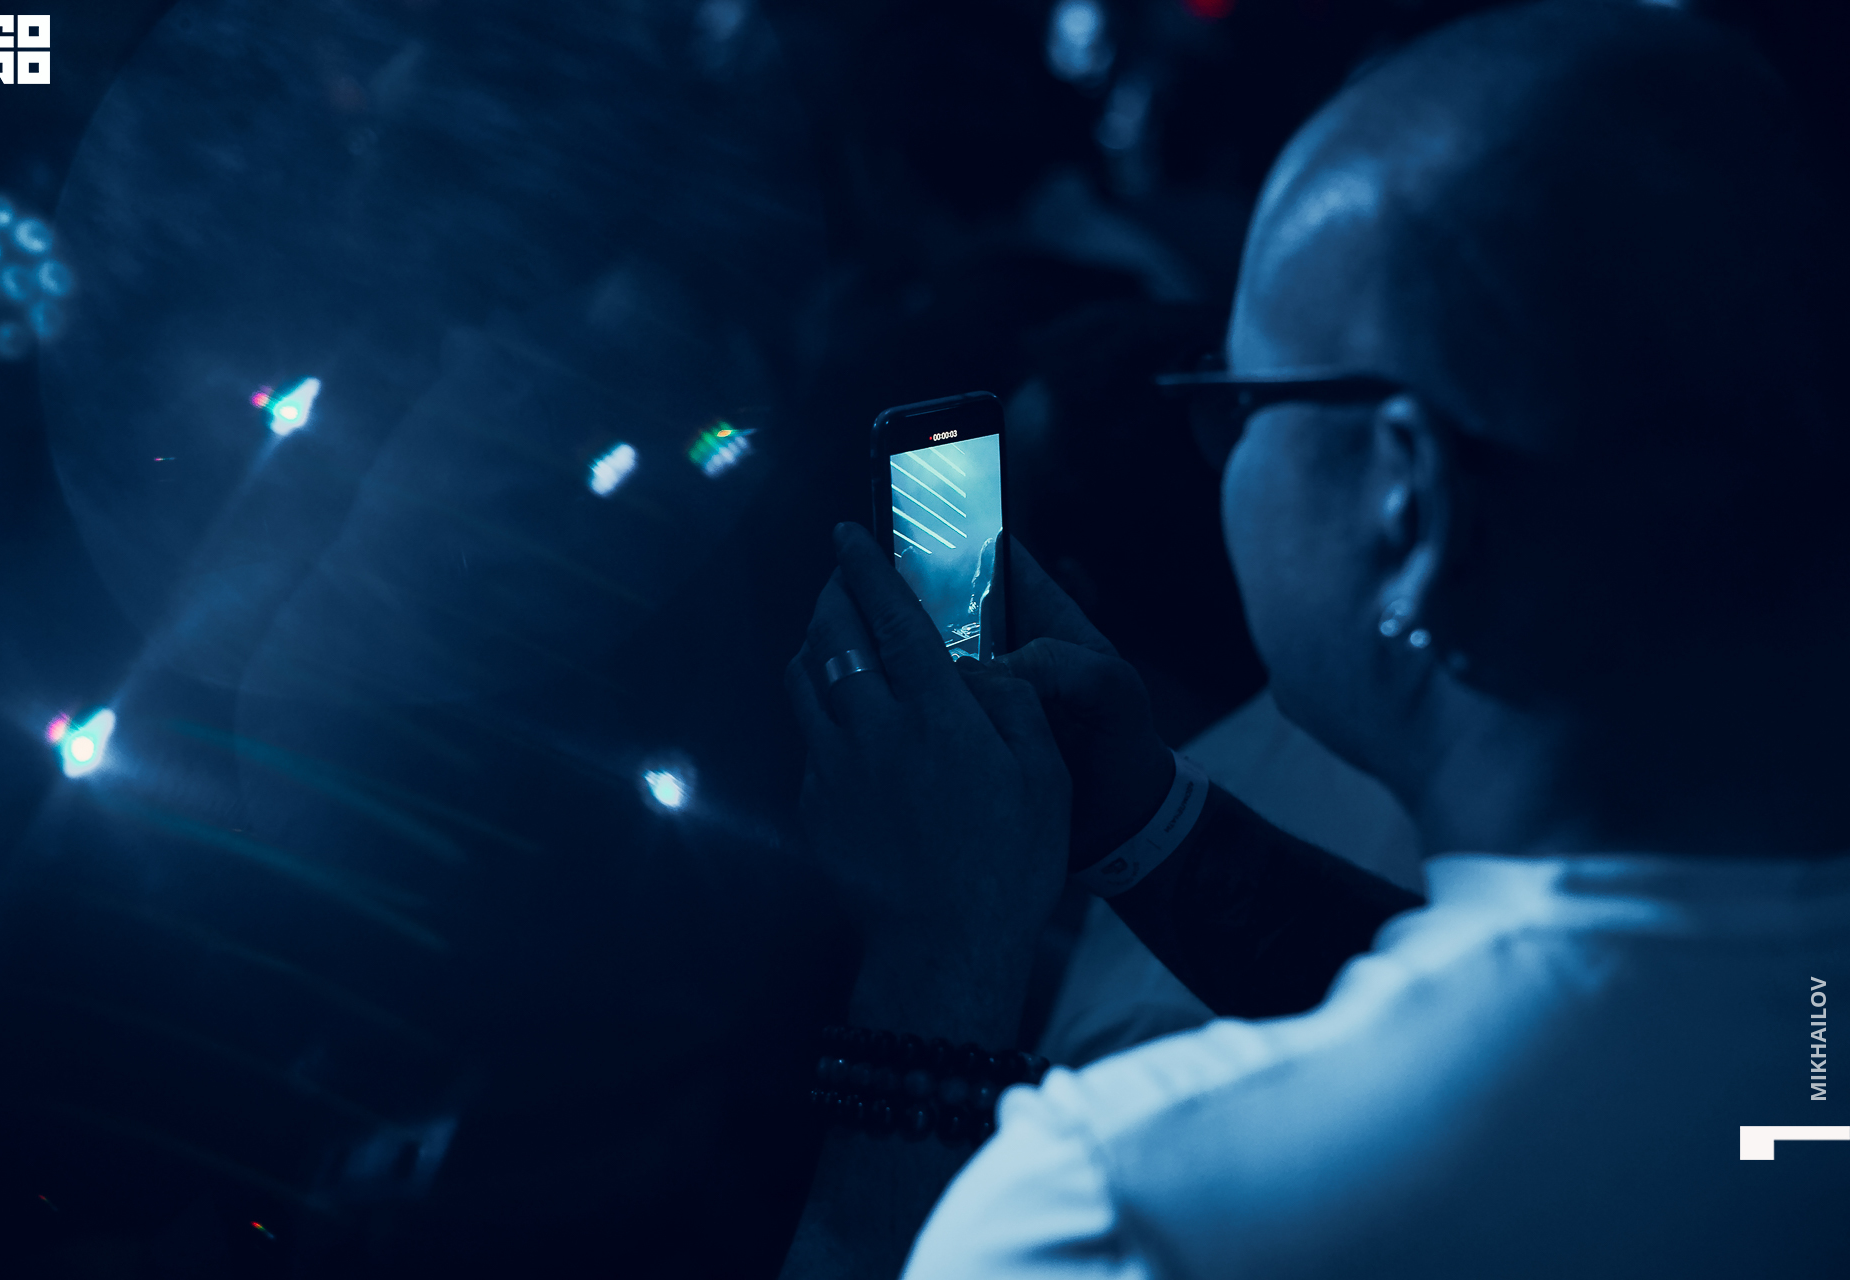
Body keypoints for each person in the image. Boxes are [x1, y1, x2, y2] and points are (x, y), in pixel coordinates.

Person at [777, 2, 1850, 1276]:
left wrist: (936, 952)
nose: (1213, 449)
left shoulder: (1128, 1200)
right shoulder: (1810, 1056)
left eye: (1234, 397)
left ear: (1406, 502)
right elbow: (1654, 1066)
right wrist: (1149, 824)